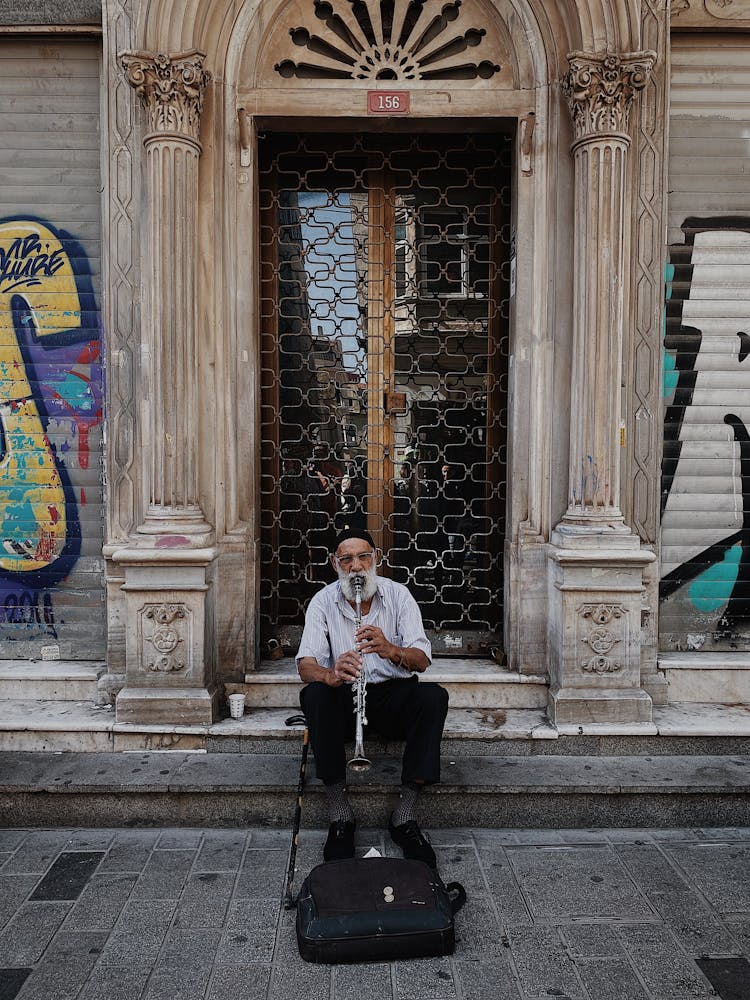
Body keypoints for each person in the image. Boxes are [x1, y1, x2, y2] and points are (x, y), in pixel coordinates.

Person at [296, 528, 449, 868]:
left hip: (393, 696)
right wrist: (330, 674)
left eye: (363, 557)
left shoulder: (398, 595)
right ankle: (340, 815)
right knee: (315, 695)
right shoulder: (323, 601)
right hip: (346, 696)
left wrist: (391, 649)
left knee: (433, 698)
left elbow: (421, 660)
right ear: (335, 564)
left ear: (376, 559)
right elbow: (306, 665)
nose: (355, 567)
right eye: (346, 559)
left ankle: (404, 816)